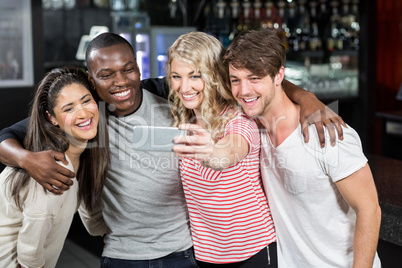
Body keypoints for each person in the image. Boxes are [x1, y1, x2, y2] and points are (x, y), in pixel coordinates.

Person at [0, 32, 344, 267]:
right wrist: (26, 159)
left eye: (128, 69)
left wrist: (307, 98)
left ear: (139, 69)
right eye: (106, 75)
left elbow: (250, 81)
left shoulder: (170, 96)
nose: (120, 82)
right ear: (92, 80)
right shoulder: (91, 117)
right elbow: (10, 133)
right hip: (122, 253)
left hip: (185, 252)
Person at [223, 28, 382, 268]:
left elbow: (369, 209)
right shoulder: (253, 128)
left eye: (254, 78)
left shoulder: (327, 132)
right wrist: (306, 95)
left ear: (278, 77)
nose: (243, 91)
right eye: (236, 80)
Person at [166, 31, 276, 267]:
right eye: (177, 76)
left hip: (254, 251)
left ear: (214, 75)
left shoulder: (239, 121)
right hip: (207, 255)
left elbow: (228, 152)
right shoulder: (181, 122)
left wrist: (211, 154)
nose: (184, 86)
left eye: (195, 76)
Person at [0, 67, 109, 268]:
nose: (83, 113)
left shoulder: (81, 153)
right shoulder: (53, 170)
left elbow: (93, 221)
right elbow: (29, 257)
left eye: (86, 101)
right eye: (69, 108)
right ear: (51, 118)